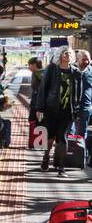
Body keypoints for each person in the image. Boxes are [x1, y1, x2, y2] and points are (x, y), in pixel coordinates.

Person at [36, 47, 85, 176]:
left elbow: (78, 93)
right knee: (50, 137)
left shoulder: (76, 72)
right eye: (65, 53)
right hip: (51, 109)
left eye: (69, 53)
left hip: (67, 111)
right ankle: (46, 158)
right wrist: (40, 108)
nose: (68, 55)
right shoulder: (52, 69)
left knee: (62, 139)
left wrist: (77, 110)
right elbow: (43, 89)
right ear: (60, 55)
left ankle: (61, 167)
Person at [27, 56, 44, 148]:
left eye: (29, 65)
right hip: (41, 102)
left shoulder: (37, 74)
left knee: (34, 121)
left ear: (34, 65)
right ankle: (39, 143)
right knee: (41, 122)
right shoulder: (44, 73)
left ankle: (35, 143)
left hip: (37, 103)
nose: (28, 67)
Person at [75, 49, 92, 140]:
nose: (86, 62)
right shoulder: (72, 71)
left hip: (85, 107)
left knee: (82, 133)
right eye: (84, 59)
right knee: (69, 132)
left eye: (88, 59)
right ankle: (66, 152)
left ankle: (80, 153)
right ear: (78, 59)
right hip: (71, 108)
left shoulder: (91, 71)